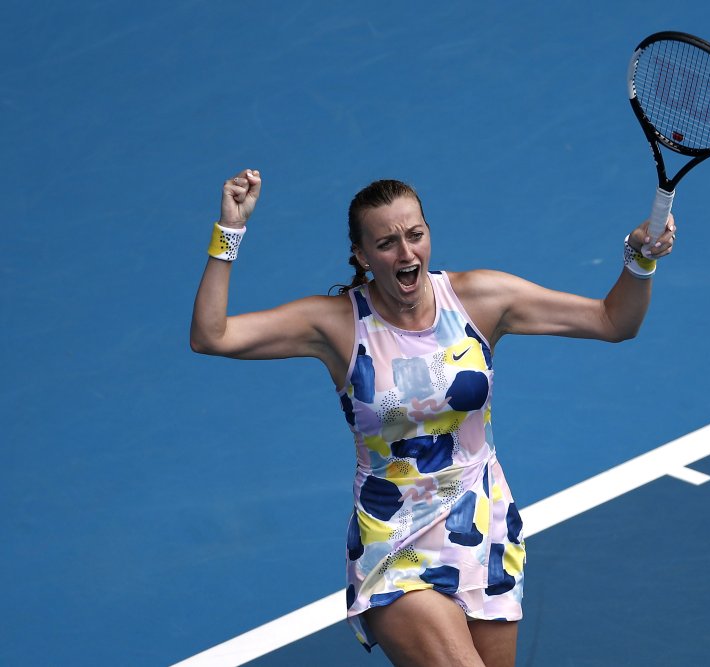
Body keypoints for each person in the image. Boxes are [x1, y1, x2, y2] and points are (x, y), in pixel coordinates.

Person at [190, 169, 676, 667]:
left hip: (482, 529)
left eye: (415, 235)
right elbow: (212, 335)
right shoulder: (335, 323)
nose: (406, 254)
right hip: (393, 540)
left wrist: (639, 260)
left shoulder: (481, 299)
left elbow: (613, 321)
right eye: (386, 243)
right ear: (361, 256)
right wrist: (229, 233)